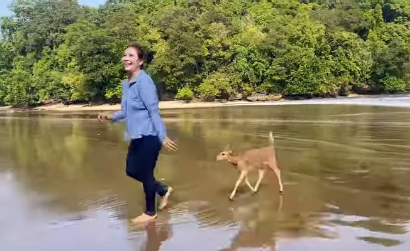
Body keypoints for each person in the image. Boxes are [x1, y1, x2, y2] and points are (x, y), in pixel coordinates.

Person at [98, 42, 178, 224]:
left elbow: (153, 112)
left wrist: (162, 136)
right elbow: (126, 111)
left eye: (131, 56)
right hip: (136, 135)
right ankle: (163, 190)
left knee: (146, 173)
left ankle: (150, 213)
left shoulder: (145, 82)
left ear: (140, 61)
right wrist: (111, 117)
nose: (126, 58)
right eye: (125, 55)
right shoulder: (127, 84)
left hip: (150, 136)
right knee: (131, 170)